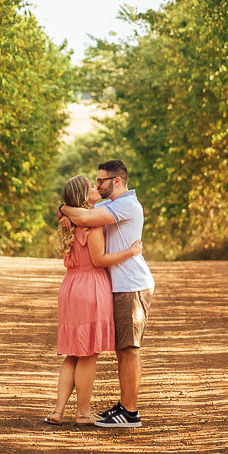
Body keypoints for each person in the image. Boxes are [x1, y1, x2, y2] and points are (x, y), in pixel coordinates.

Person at [59, 160, 154, 429]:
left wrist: (64, 208)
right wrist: (64, 211)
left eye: (101, 181)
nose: (98, 185)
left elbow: (83, 217)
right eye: (96, 182)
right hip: (118, 285)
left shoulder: (127, 205)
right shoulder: (107, 205)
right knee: (123, 349)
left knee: (129, 349)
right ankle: (124, 406)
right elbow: (80, 213)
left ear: (117, 181)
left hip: (131, 284)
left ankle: (130, 412)